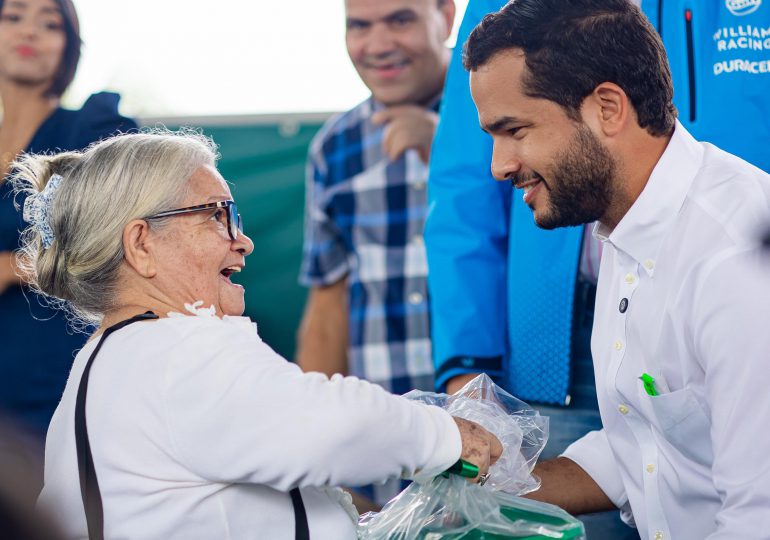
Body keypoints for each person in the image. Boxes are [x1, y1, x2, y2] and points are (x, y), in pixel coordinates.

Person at [12, 129, 502, 539]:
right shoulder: (180, 348)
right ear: (141, 245)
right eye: (214, 214)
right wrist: (446, 436)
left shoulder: (107, 360)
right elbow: (329, 425)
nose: (242, 240)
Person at [462, 0, 770, 538]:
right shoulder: (628, 226)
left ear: (607, 108)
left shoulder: (731, 261)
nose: (498, 165)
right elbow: (647, 444)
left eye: (515, 130)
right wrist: (474, 484)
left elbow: (759, 516)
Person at [296, 0, 456, 506]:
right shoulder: (333, 147)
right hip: (379, 448)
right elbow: (327, 307)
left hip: (490, 438)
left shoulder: (504, 117)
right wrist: (321, 457)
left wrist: (448, 152)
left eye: (400, 19)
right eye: (359, 26)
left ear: (447, 17)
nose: (378, 44)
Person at [0, 0, 136, 444]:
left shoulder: (92, 131)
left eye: (50, 23)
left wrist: (12, 266)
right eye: (13, 16)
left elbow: (120, 242)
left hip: (53, 374)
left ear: (69, 47)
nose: (30, 31)